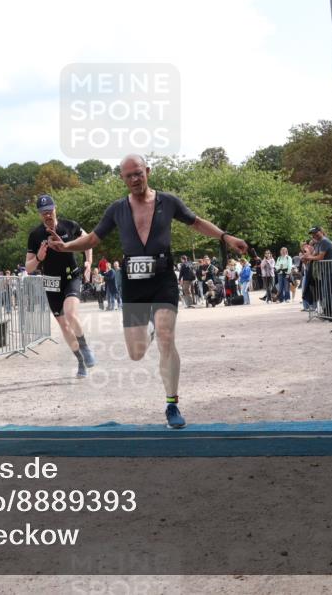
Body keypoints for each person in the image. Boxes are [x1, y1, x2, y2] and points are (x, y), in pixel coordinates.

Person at [48, 154, 248, 428]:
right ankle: (150, 332)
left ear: (148, 172)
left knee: (167, 336)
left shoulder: (168, 202)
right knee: (136, 352)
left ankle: (172, 405)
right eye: (128, 175)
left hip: (163, 276)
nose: (134, 179)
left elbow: (197, 222)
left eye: (138, 173)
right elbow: (93, 239)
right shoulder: (116, 209)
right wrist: (67, 247)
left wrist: (226, 236)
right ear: (122, 178)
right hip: (133, 282)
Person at [25, 194, 96, 378]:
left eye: (49, 211)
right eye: (43, 213)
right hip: (51, 283)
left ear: (55, 208)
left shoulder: (69, 226)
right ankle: (80, 361)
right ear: (40, 215)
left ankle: (85, 347)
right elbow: (29, 267)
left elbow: (89, 241)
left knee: (71, 314)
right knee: (64, 327)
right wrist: (39, 257)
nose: (47, 215)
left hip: (71, 276)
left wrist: (88, 262)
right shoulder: (35, 235)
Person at [302, 227, 332, 320]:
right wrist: (306, 256)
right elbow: (314, 254)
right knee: (328, 293)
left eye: (315, 233)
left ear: (321, 232)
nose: (314, 235)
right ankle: (329, 313)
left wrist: (308, 258)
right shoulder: (319, 243)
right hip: (326, 271)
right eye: (312, 234)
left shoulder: (324, 241)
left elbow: (320, 257)